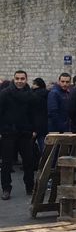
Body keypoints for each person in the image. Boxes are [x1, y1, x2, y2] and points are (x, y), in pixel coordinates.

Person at [0, 70, 36, 200]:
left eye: (22, 79)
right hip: (8, 132)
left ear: (26, 79)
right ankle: (6, 188)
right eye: (17, 78)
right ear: (13, 79)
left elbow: (34, 114)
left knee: (28, 162)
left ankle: (30, 187)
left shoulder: (31, 96)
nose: (19, 81)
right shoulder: (5, 94)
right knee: (6, 163)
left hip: (25, 132)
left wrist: (34, 129)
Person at [31, 78, 49, 152]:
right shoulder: (48, 93)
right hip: (45, 122)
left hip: (35, 122)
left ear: (36, 85)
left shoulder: (33, 95)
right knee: (43, 144)